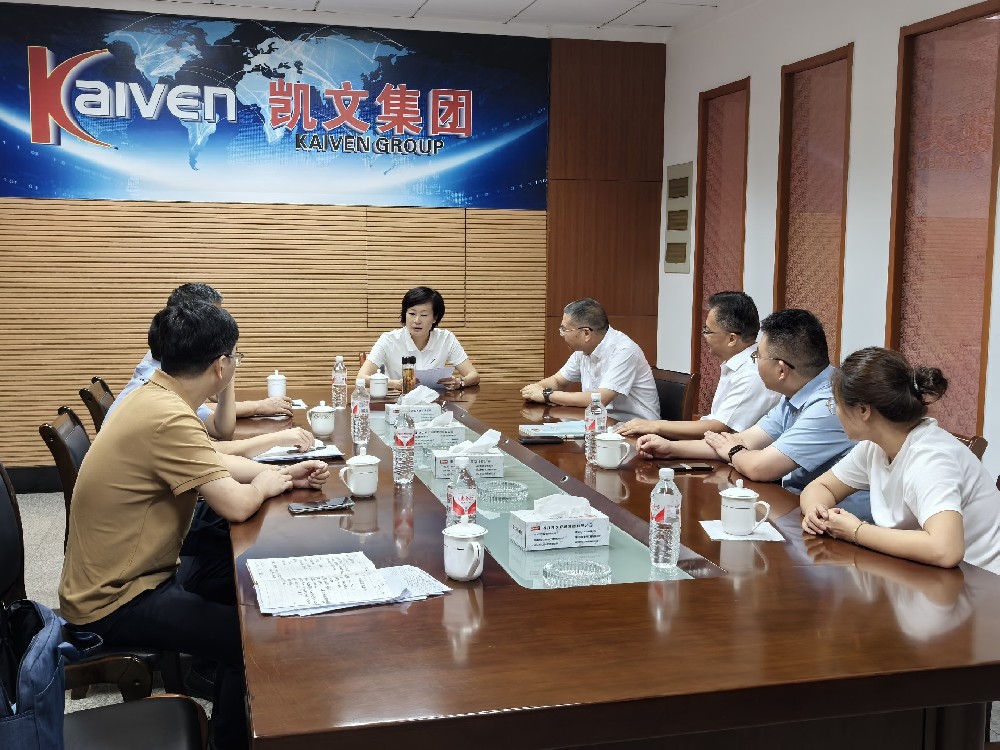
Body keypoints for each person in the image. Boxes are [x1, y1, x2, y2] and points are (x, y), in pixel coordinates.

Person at [59, 301, 330, 750]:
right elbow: (236, 505)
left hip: (131, 574)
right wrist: (266, 482)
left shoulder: (155, 396)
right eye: (236, 357)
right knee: (253, 639)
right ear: (221, 365)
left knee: (244, 584)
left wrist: (284, 474)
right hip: (116, 599)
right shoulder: (167, 415)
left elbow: (211, 461)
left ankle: (229, 709)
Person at [637, 309, 868, 517]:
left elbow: (759, 467)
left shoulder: (829, 405)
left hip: (840, 522)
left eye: (757, 356)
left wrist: (733, 450)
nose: (754, 362)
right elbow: (743, 440)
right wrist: (670, 448)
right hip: (798, 507)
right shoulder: (798, 391)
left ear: (781, 370)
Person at [800, 347, 1000, 574]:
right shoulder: (875, 446)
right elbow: (821, 487)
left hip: (980, 581)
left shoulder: (930, 458)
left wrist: (856, 531)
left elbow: (946, 550)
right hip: (921, 572)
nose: (836, 412)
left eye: (837, 404)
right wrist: (816, 511)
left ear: (864, 410)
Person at [108, 283, 312, 457]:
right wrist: (276, 440)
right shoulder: (158, 389)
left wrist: (228, 367)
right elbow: (207, 453)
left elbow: (214, 428)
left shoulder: (172, 370)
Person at [616, 291, 778, 438]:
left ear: (732, 339)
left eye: (708, 331)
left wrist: (654, 426)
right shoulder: (740, 362)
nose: (704, 336)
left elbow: (719, 427)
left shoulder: (752, 373)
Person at [521, 298, 660, 421]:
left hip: (637, 430)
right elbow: (558, 381)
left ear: (586, 333)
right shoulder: (583, 351)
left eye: (564, 330)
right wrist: (534, 390)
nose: (561, 334)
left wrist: (546, 395)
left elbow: (601, 399)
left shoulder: (624, 350)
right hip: (601, 423)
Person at [359, 286, 480, 391]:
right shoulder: (389, 340)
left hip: (435, 402)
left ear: (434, 318)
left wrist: (460, 382)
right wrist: (395, 384)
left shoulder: (446, 339)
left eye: (424, 315)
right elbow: (361, 378)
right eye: (412, 314)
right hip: (398, 403)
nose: (417, 320)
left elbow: (473, 375)